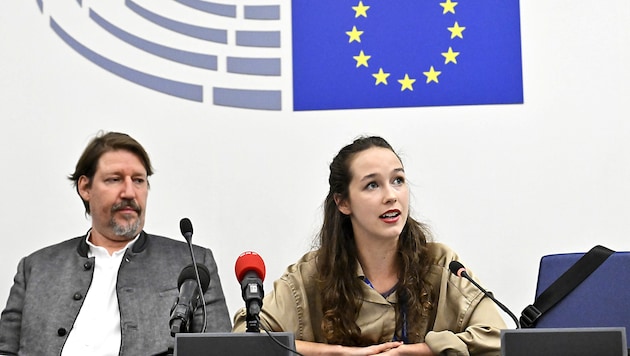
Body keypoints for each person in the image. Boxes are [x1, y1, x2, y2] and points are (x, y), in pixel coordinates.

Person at [233, 136, 506, 355]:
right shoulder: (311, 276)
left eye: (398, 180)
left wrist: (418, 352)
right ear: (343, 203)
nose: (391, 196)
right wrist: (336, 353)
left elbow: (498, 338)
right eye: (372, 185)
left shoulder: (442, 264)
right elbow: (246, 336)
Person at [0, 131, 232, 355]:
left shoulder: (191, 264)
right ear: (85, 187)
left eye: (139, 180)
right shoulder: (37, 268)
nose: (129, 192)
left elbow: (219, 351)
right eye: (115, 179)